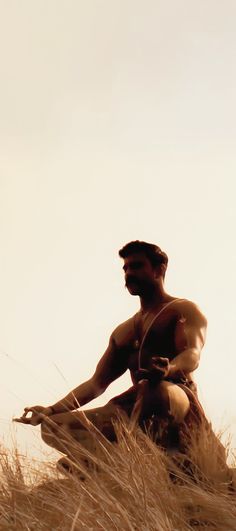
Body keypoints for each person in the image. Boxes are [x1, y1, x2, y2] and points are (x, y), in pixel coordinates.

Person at [15, 240, 208, 464]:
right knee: (52, 428)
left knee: (154, 389)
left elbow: (192, 353)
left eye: (136, 266)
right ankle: (111, 462)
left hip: (174, 397)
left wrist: (169, 368)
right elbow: (96, 383)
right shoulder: (124, 331)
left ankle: (122, 458)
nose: (128, 273)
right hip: (133, 404)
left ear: (159, 269)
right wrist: (49, 410)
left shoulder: (182, 310)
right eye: (125, 268)